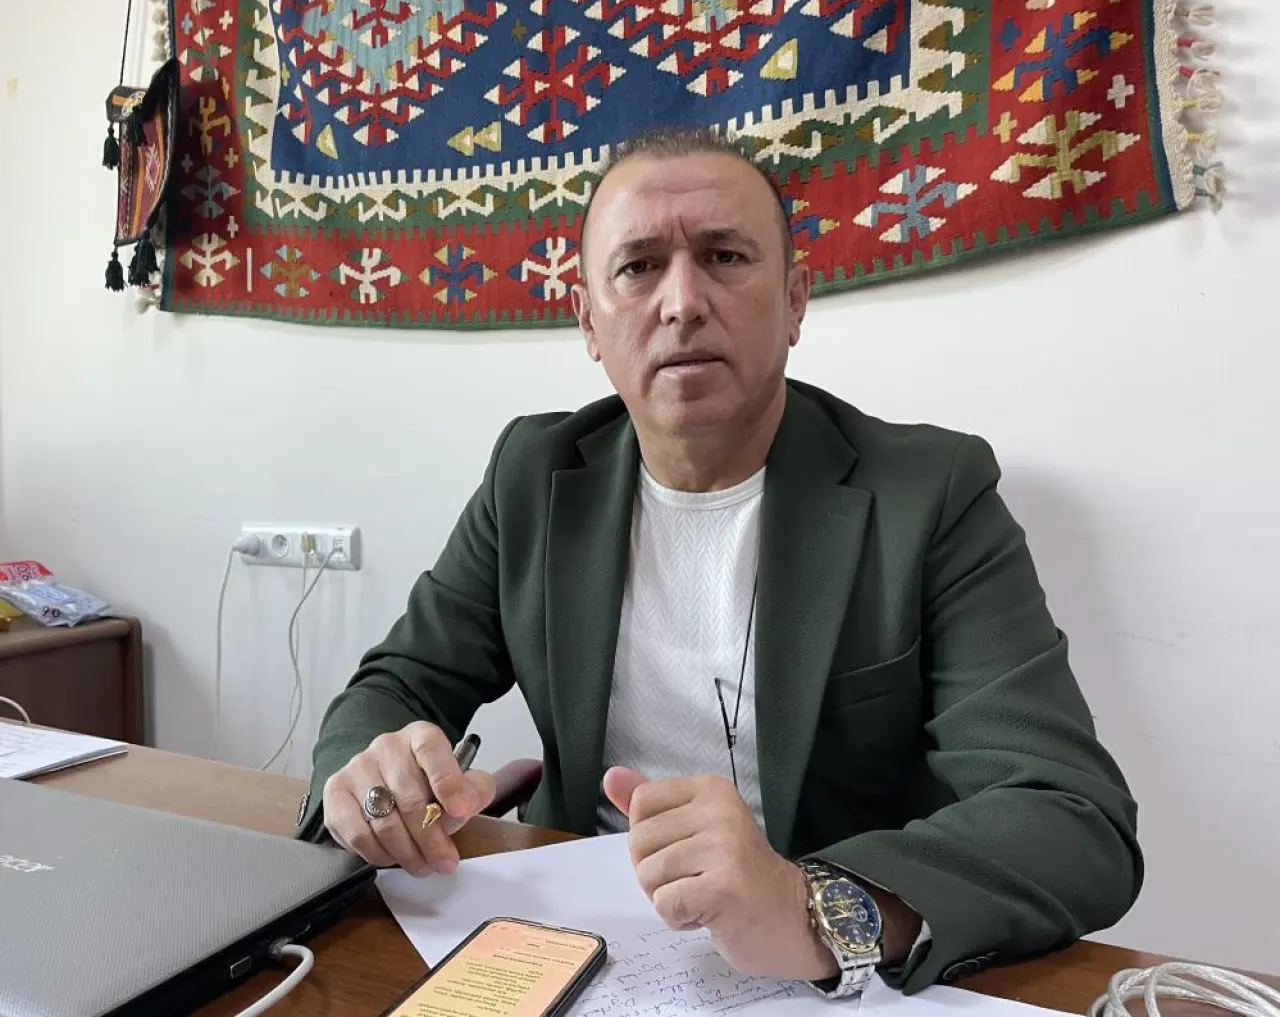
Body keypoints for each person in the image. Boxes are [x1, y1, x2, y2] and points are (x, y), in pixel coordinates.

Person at [295, 126, 1142, 998]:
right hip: (576, 949)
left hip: (822, 976)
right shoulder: (533, 477)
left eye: (725, 256)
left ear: (795, 300)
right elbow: (396, 683)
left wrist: (811, 905)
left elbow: (1069, 815)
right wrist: (369, 781)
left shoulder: (929, 494)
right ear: (588, 323)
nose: (682, 302)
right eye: (638, 267)